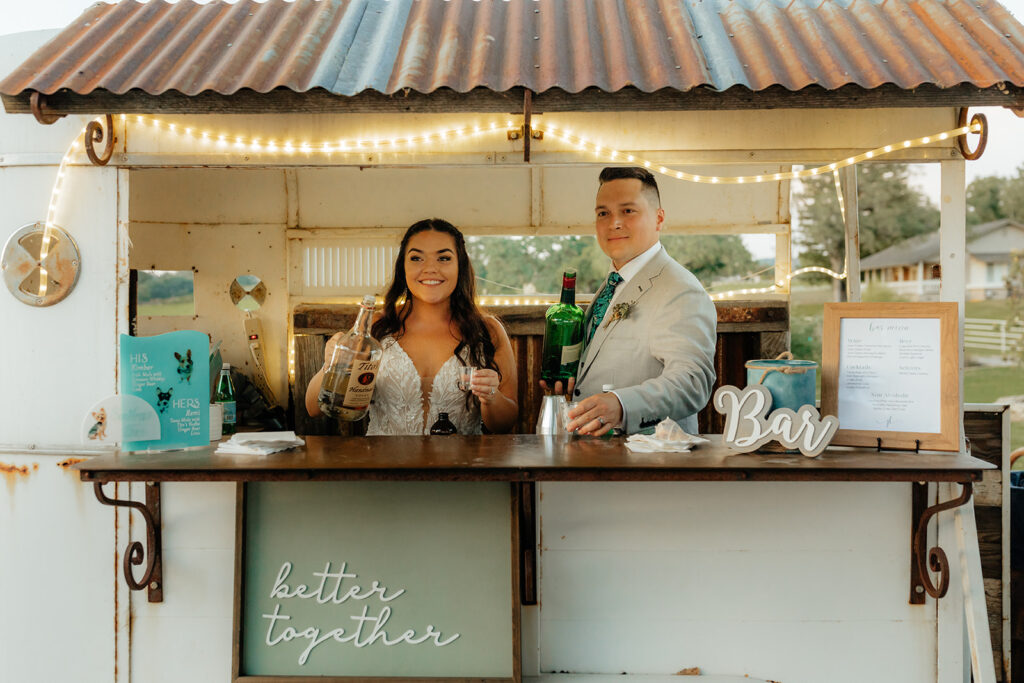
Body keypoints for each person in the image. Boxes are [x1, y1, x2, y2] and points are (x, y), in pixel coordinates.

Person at [305, 218, 518, 434]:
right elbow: (314, 409)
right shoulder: (377, 327)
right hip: (385, 462)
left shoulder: (488, 331)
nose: (430, 268)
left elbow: (505, 423)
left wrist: (492, 397)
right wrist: (332, 364)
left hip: (461, 464)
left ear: (460, 266)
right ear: (403, 267)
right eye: (416, 258)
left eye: (444, 258)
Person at [560, 166, 717, 436]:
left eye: (628, 211)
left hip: (648, 461)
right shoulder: (614, 281)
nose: (614, 223)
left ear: (658, 219)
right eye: (603, 213)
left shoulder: (680, 289)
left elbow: (692, 382)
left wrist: (622, 405)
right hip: (594, 455)